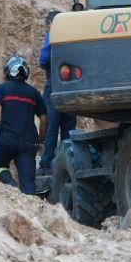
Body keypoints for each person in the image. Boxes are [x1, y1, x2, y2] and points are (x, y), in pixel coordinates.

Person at [0, 55, 47, 194]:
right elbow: (44, 119)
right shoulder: (34, 93)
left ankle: (11, 185)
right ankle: (32, 210)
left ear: (8, 71)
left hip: (7, 140)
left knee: (0, 166)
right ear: (26, 72)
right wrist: (40, 140)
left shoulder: (2, 89)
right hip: (28, 143)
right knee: (28, 181)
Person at [37, 10, 77, 175]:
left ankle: (46, 164)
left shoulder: (52, 35)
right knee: (68, 129)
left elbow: (43, 59)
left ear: (51, 23)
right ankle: (70, 163)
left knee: (52, 127)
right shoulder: (73, 37)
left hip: (54, 86)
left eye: (47, 26)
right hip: (72, 88)